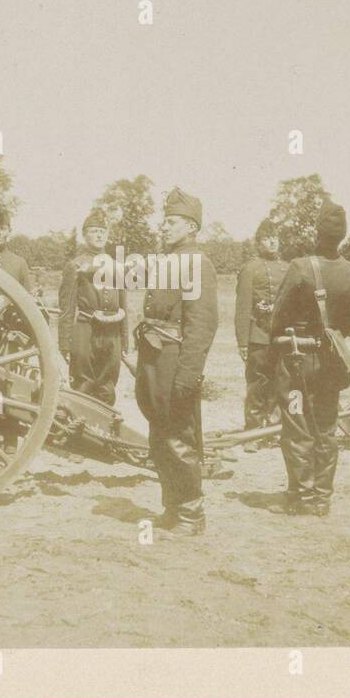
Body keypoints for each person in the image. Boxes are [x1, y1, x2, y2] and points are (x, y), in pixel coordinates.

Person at [268, 201, 350, 517]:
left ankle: (301, 497)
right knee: (325, 427)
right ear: (343, 236)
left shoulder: (300, 268)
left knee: (297, 427)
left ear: (317, 233)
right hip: (330, 362)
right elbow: (348, 323)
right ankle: (322, 498)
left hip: (297, 360)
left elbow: (278, 317)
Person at [134, 189, 218, 535]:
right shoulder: (168, 261)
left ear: (192, 227)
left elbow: (202, 324)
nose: (163, 228)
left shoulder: (199, 264)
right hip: (155, 358)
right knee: (160, 436)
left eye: (171, 222)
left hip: (175, 361)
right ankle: (171, 507)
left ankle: (190, 515)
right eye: (164, 221)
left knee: (179, 438)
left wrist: (188, 374)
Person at [57, 211, 128, 407]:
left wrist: (125, 342)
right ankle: (79, 434)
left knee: (107, 387)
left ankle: (103, 433)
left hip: (112, 334)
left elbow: (124, 305)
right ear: (85, 235)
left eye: (102, 231)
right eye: (94, 231)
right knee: (83, 386)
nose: (99, 235)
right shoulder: (75, 265)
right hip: (86, 330)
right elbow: (66, 308)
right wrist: (64, 342)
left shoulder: (116, 266)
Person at [234, 218, 289, 450]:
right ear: (258, 243)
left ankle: (274, 430)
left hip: (281, 335)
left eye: (275, 238)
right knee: (257, 384)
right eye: (267, 238)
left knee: (280, 382)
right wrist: (243, 341)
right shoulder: (250, 269)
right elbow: (243, 306)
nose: (272, 242)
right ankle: (253, 433)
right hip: (258, 335)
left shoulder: (287, 268)